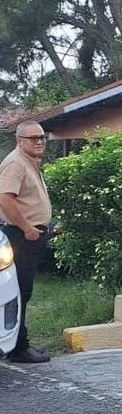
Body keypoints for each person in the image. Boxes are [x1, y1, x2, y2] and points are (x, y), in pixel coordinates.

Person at [0, 121, 53, 364]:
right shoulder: (15, 163)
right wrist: (27, 228)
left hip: (30, 236)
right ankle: (19, 348)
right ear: (19, 141)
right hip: (19, 237)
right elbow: (5, 199)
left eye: (42, 137)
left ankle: (16, 344)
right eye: (33, 138)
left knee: (23, 292)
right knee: (19, 292)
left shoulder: (29, 162)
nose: (39, 141)